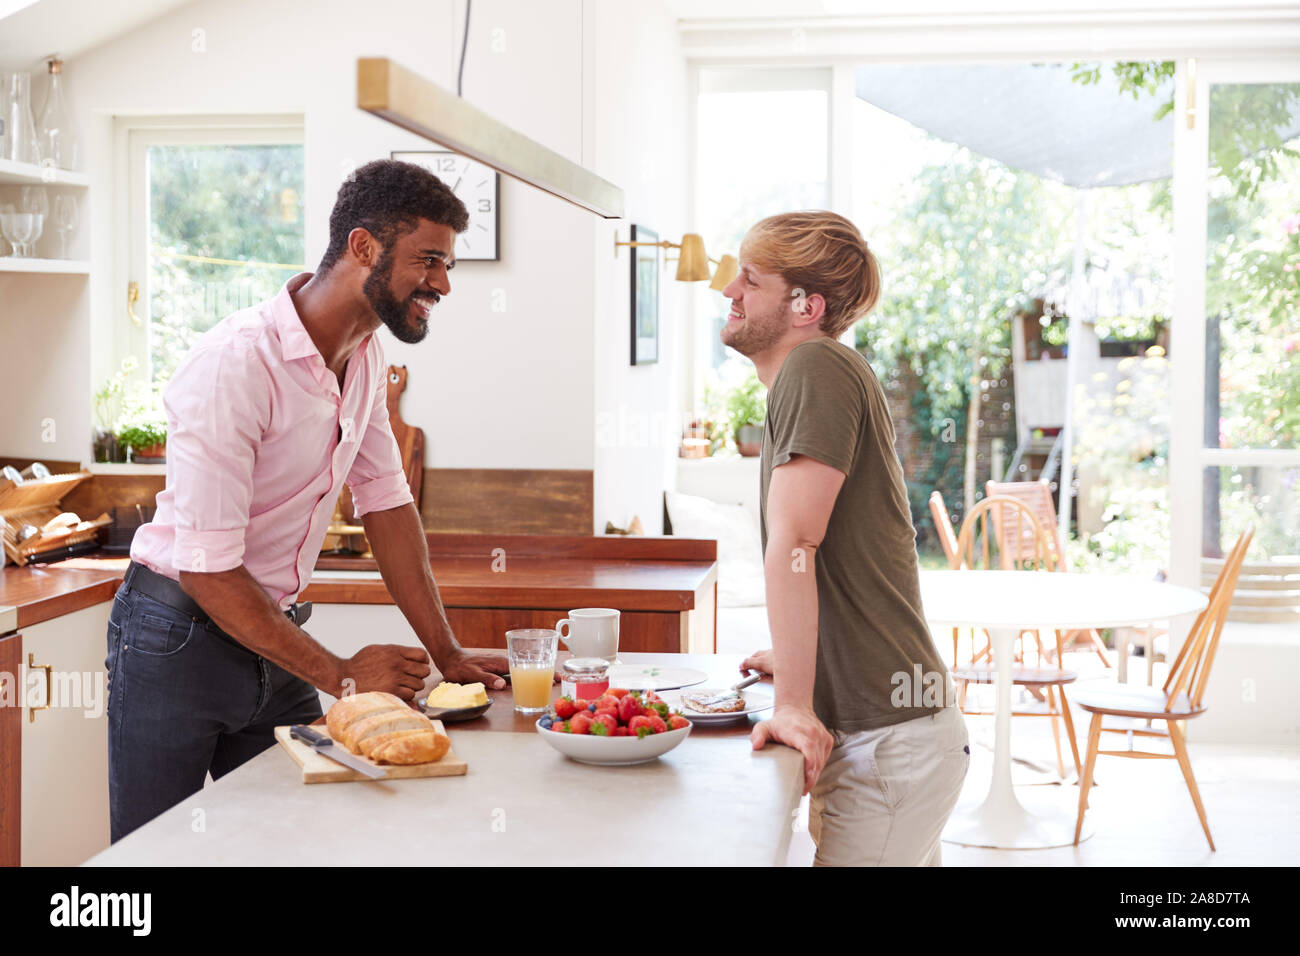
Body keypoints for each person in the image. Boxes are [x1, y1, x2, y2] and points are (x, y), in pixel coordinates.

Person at [107, 159, 509, 842]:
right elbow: (207, 567)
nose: (442, 283)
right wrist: (344, 675)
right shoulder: (235, 364)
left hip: (274, 637)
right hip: (175, 641)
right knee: (155, 856)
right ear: (363, 248)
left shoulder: (366, 357)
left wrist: (445, 651)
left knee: (294, 841)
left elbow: (385, 503)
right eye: (430, 261)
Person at [724, 211, 970, 866]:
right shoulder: (816, 375)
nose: (730, 291)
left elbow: (797, 542)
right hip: (894, 735)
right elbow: (832, 551)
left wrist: (795, 705)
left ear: (806, 305)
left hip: (888, 745)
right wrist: (807, 655)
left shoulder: (815, 366)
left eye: (751, 279)